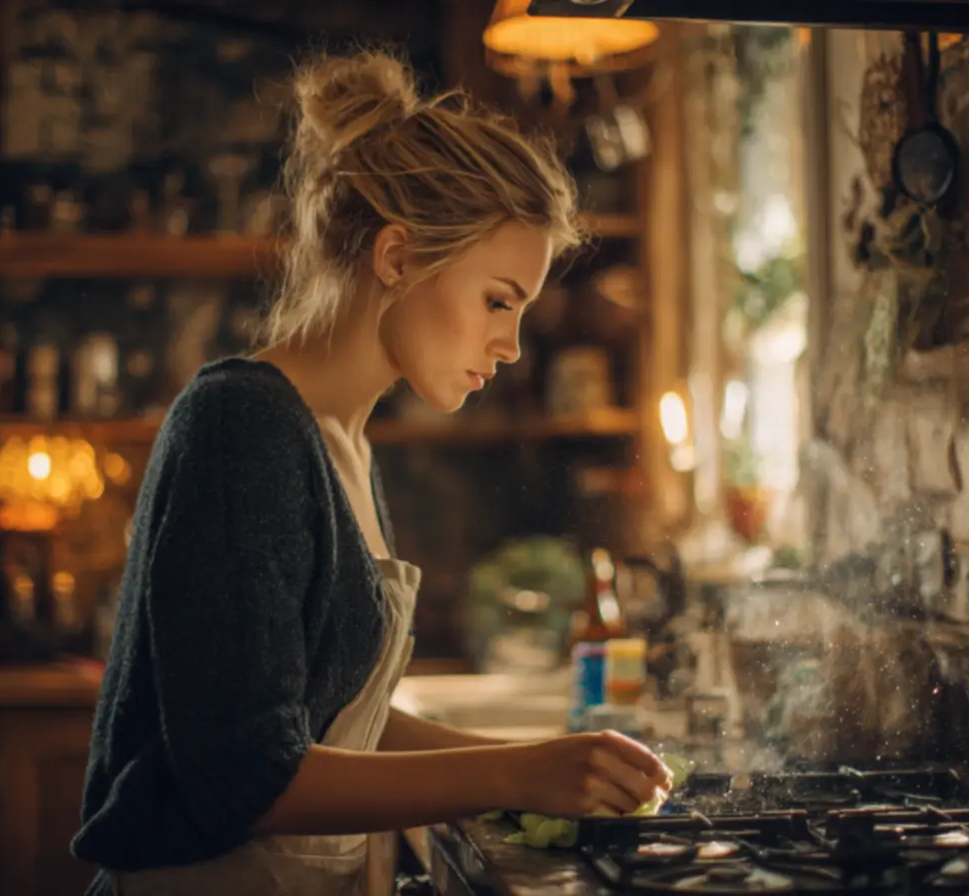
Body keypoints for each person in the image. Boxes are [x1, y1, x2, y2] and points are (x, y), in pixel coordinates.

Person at [72, 50, 672, 896]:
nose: (510, 345)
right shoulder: (241, 426)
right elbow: (245, 774)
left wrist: (542, 765)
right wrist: (513, 778)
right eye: (498, 300)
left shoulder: (343, 440)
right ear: (396, 257)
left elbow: (335, 722)